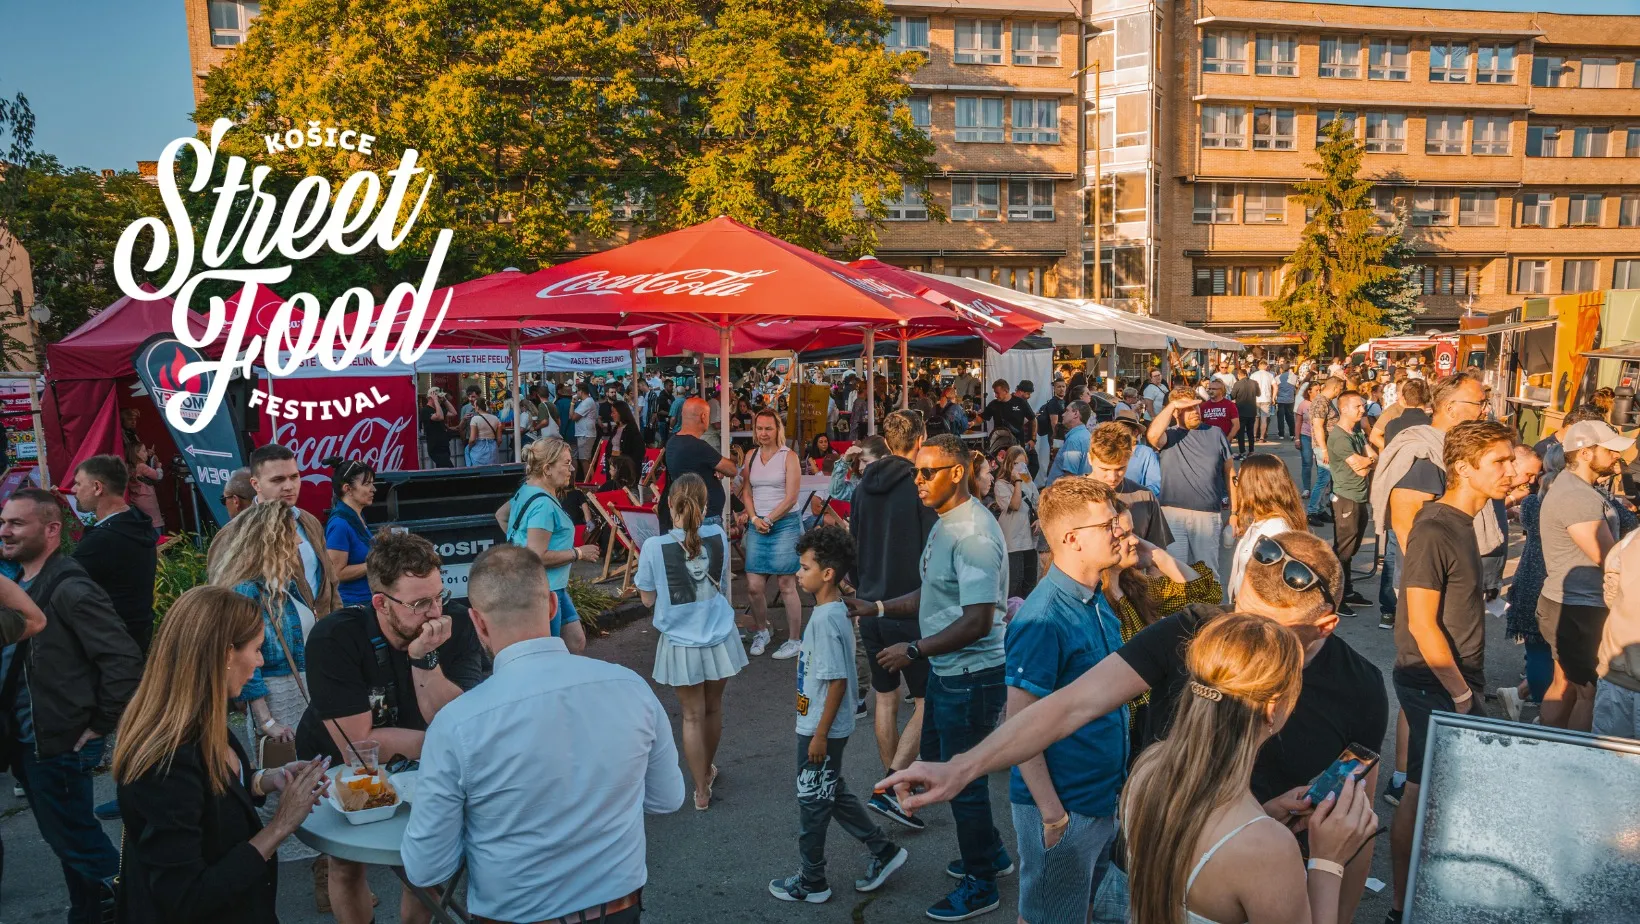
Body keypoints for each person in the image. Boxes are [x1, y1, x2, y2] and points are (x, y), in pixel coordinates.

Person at [881, 530, 1389, 923]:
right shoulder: (1194, 627)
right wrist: (963, 767)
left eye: (1266, 631)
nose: (1235, 635)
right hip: (1147, 874)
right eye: (1240, 613)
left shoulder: (1361, 688)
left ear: (1324, 626)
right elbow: (1070, 706)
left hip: (1266, 888)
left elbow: (1355, 819)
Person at [402, 544, 681, 924]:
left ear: (478, 622)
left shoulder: (457, 723)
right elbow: (667, 798)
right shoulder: (630, 687)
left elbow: (425, 868)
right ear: (552, 605)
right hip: (619, 909)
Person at [846, 433, 1011, 922]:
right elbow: (933, 593)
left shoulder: (974, 533)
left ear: (956, 473)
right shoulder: (945, 523)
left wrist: (913, 648)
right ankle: (992, 855)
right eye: (916, 471)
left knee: (963, 781)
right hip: (947, 673)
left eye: (927, 472)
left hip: (971, 675)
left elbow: (978, 618)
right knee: (942, 765)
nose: (917, 481)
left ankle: (983, 883)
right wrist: (876, 606)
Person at [1121, 614, 1379, 924]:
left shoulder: (1147, 770)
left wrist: (1265, 815)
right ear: (1272, 709)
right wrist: (1328, 862)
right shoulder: (1268, 851)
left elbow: (1198, 836)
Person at [294, 530, 486, 924]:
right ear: (381, 603)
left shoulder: (458, 625)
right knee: (346, 864)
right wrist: (445, 743)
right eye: (419, 603)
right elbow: (358, 746)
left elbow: (457, 718)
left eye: (439, 596)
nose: (435, 613)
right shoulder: (336, 637)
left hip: (416, 756)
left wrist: (424, 660)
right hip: (339, 762)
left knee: (425, 862)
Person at [113, 586, 331, 924]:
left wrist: (266, 780)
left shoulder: (200, 716)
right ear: (224, 654)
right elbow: (187, 899)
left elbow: (212, 794)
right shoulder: (166, 760)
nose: (259, 661)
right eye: (257, 649)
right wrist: (281, 825)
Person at [1388, 419, 1518, 924]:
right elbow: (1421, 625)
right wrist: (1462, 695)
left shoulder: (1466, 522)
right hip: (1434, 679)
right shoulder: (1435, 527)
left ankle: (1425, 896)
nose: (1510, 470)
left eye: (1511, 459)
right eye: (1499, 462)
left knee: (1436, 793)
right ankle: (1402, 907)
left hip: (1453, 678)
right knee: (1421, 793)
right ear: (1464, 468)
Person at [0, 488, 142, 924]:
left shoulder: (70, 586)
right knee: (66, 839)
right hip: (30, 739)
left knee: (77, 839)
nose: (5, 530)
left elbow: (123, 658)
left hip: (60, 740)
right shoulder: (22, 582)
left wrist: (99, 723)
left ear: (51, 529)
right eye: (4, 521)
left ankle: (132, 905)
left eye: (16, 523)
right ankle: (90, 913)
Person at [1003, 477, 1128, 924]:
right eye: (1108, 523)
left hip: (1097, 801)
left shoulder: (1096, 598)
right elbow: (1017, 727)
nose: (1119, 530)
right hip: (1065, 811)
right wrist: (1053, 818)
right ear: (1072, 539)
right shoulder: (1042, 618)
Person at [770, 526, 909, 904]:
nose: (799, 574)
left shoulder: (826, 621)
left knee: (812, 804)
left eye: (804, 568)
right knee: (830, 791)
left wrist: (818, 734)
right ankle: (885, 851)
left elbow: (836, 683)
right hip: (820, 724)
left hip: (821, 727)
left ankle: (812, 880)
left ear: (827, 573)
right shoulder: (830, 614)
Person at [849, 411, 937, 830]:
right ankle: (894, 785)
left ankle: (894, 785)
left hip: (869, 603)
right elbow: (932, 548)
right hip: (909, 605)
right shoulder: (920, 487)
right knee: (928, 698)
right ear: (919, 439)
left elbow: (853, 543)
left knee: (885, 698)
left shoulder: (862, 487)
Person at [637, 474, 744, 810]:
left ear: (670, 504)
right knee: (713, 709)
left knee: (692, 716)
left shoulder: (654, 546)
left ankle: (700, 790)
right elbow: (721, 582)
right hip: (719, 634)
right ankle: (707, 771)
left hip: (680, 642)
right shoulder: (718, 536)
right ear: (706, 505)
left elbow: (647, 599)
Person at [1537, 419, 1630, 731]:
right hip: (1579, 607)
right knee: (1588, 691)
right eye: (1610, 451)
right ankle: (1571, 760)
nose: (1617, 456)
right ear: (1586, 453)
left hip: (1568, 603)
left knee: (1565, 685)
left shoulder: (1577, 488)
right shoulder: (1578, 496)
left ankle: (1548, 748)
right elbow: (1609, 559)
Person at [208, 443, 341, 620]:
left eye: (294, 477)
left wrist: (339, 621)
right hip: (273, 640)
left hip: (322, 634)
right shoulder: (234, 533)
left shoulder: (309, 521)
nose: (289, 486)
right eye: (278, 480)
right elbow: (221, 597)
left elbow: (330, 581)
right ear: (256, 484)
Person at [495, 437, 599, 654]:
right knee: (549, 654)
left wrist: (520, 544)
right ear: (547, 468)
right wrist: (578, 553)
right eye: (566, 463)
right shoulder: (542, 504)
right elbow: (537, 556)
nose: (571, 469)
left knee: (575, 641)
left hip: (552, 586)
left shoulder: (527, 490)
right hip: (543, 590)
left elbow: (501, 516)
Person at [70, 455, 158, 653]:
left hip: (110, 644)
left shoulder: (102, 541)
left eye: (78, 483)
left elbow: (58, 581)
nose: (74, 490)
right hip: (136, 634)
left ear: (97, 488)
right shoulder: (135, 520)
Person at [1147, 387, 1235, 585]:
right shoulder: (1169, 435)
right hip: (1172, 514)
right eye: (1188, 408)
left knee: (1208, 575)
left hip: (1208, 514)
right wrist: (1172, 405)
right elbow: (1152, 436)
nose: (1196, 411)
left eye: (1197, 406)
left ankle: (1209, 615)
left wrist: (1235, 512)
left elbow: (1230, 473)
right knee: (1174, 574)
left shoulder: (1215, 433)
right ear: (1176, 412)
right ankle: (1181, 616)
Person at [740, 409, 805, 660]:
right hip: (759, 523)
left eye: (768, 428)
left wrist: (769, 518)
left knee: (786, 584)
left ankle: (794, 639)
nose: (763, 433)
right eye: (759, 428)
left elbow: (791, 497)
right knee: (754, 586)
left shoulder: (789, 456)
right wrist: (755, 518)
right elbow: (746, 490)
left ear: (778, 429)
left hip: (785, 523)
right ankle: (762, 630)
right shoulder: (751, 455)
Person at [1227, 453, 1306, 609]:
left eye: (1238, 481)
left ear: (1255, 487)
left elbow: (1274, 589)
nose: (1236, 486)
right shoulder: (1262, 521)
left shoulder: (1276, 530)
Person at [651, 397, 740, 534]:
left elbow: (696, 468)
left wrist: (714, 468)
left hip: (686, 514)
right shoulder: (699, 446)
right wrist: (719, 467)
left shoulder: (672, 442)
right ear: (703, 417)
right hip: (705, 519)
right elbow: (732, 469)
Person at [1086, 421, 1172, 550]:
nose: (1113, 477)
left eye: (1120, 468)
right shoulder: (1068, 496)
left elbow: (1157, 552)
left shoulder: (1145, 497)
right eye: (1104, 469)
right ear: (1090, 459)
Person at [1327, 392, 1377, 612]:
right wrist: (1369, 462)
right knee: (1343, 551)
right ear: (1344, 409)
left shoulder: (1356, 431)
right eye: (1357, 406)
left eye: (1363, 406)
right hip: (1345, 498)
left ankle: (1347, 590)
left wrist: (1368, 461)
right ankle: (1335, 598)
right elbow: (1360, 468)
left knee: (1352, 547)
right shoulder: (1338, 437)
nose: (1362, 410)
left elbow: (1373, 456)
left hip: (1359, 497)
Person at [1597, 520, 1640, 738]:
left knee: (1609, 762)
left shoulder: (1629, 541)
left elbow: (1611, 597)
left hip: (1616, 672)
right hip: (1618, 673)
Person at [323, 457, 376, 608]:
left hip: (367, 600)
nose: (373, 489)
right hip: (353, 606)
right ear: (347, 489)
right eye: (367, 484)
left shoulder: (357, 516)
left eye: (372, 483)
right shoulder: (340, 524)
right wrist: (376, 563)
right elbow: (336, 572)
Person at [991, 445, 1040, 600]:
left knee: (1030, 585)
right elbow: (1015, 505)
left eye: (1023, 464)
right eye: (1017, 464)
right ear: (1009, 464)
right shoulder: (1001, 485)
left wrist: (1039, 519)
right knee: (1014, 586)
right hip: (1013, 543)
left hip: (1030, 541)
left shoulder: (1030, 484)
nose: (1021, 467)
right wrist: (1018, 481)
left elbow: (1039, 505)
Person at [123, 432, 166, 533]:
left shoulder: (130, 467)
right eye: (144, 451)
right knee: (154, 522)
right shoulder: (142, 467)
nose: (146, 453)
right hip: (147, 499)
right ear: (137, 454)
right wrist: (158, 467)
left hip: (136, 500)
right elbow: (157, 476)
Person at [1043, 400, 1092, 485]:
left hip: (1059, 494)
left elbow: (1070, 477)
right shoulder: (1086, 435)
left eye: (1067, 411)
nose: (1063, 414)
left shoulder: (1074, 440)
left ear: (1076, 414)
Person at [571, 381, 600, 478]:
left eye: (577, 391)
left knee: (584, 460)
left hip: (585, 434)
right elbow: (572, 416)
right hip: (585, 433)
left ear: (581, 391)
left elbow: (574, 417)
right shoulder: (587, 402)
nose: (576, 393)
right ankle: (589, 480)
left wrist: (572, 403)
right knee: (586, 459)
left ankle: (588, 481)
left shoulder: (586, 402)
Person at [1198, 378, 1240, 446]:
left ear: (1221, 391)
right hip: (1208, 442)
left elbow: (1236, 425)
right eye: (1209, 389)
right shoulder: (1204, 406)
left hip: (1224, 441)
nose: (1210, 391)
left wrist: (1228, 439)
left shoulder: (1230, 405)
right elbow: (1200, 423)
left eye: (1214, 389)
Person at [465, 394, 503, 467]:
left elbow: (472, 439)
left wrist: (469, 447)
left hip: (479, 447)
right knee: (492, 471)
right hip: (492, 447)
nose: (474, 407)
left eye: (475, 405)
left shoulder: (475, 419)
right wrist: (494, 446)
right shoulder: (496, 419)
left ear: (478, 407)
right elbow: (499, 440)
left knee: (477, 470)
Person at [1252, 361, 1278, 443]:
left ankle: (1254, 436)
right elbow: (1275, 387)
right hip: (1266, 399)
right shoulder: (1270, 375)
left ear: (1258, 366)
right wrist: (1273, 398)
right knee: (1264, 419)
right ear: (1266, 366)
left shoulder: (1253, 375)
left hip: (1255, 399)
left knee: (1256, 419)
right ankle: (1262, 438)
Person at [1274, 362, 1297, 439]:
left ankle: (1281, 434)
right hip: (1290, 399)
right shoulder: (1293, 376)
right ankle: (1292, 434)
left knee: (1280, 417)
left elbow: (1276, 388)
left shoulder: (1277, 378)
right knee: (1290, 417)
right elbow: (1295, 386)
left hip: (1280, 399)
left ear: (1281, 369)